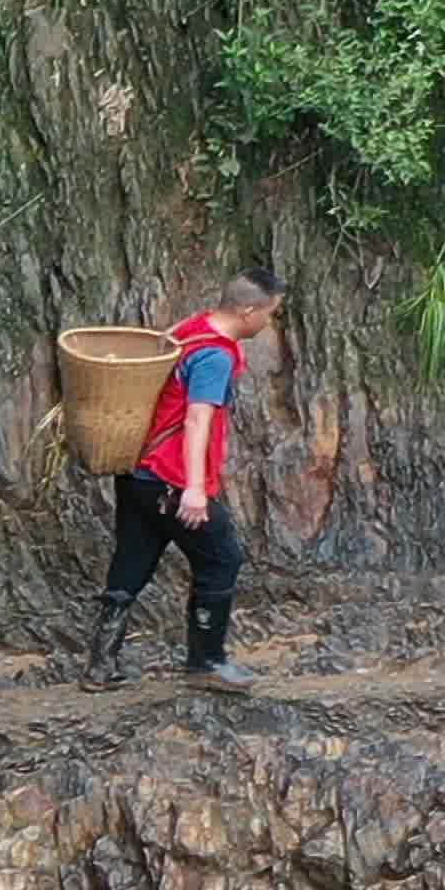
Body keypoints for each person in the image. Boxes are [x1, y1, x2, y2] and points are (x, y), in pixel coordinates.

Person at [91, 277, 279, 690]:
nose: (269, 320)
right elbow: (197, 419)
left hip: (138, 472)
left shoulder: (192, 328)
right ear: (249, 311)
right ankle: (206, 661)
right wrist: (194, 488)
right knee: (221, 558)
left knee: (131, 562)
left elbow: (163, 342)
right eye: (270, 312)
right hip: (172, 479)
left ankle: (100, 666)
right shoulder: (215, 356)